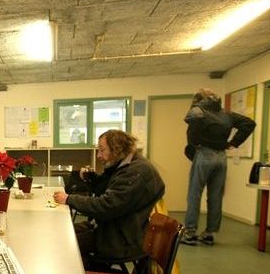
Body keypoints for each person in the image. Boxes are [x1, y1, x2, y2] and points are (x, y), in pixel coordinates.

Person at [54, 129, 165, 265]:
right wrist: (91, 178)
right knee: (59, 232)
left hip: (119, 240)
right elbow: (108, 190)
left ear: (116, 150)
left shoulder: (135, 172)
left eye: (102, 150)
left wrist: (69, 199)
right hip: (113, 228)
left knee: (60, 243)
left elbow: (106, 206)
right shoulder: (127, 164)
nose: (99, 155)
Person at [182, 88, 256, 246]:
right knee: (215, 196)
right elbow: (249, 124)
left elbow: (192, 133)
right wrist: (233, 143)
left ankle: (190, 232)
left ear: (200, 99)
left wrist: (195, 146)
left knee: (194, 194)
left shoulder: (197, 111)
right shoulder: (226, 114)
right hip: (221, 157)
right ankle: (209, 233)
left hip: (204, 154)